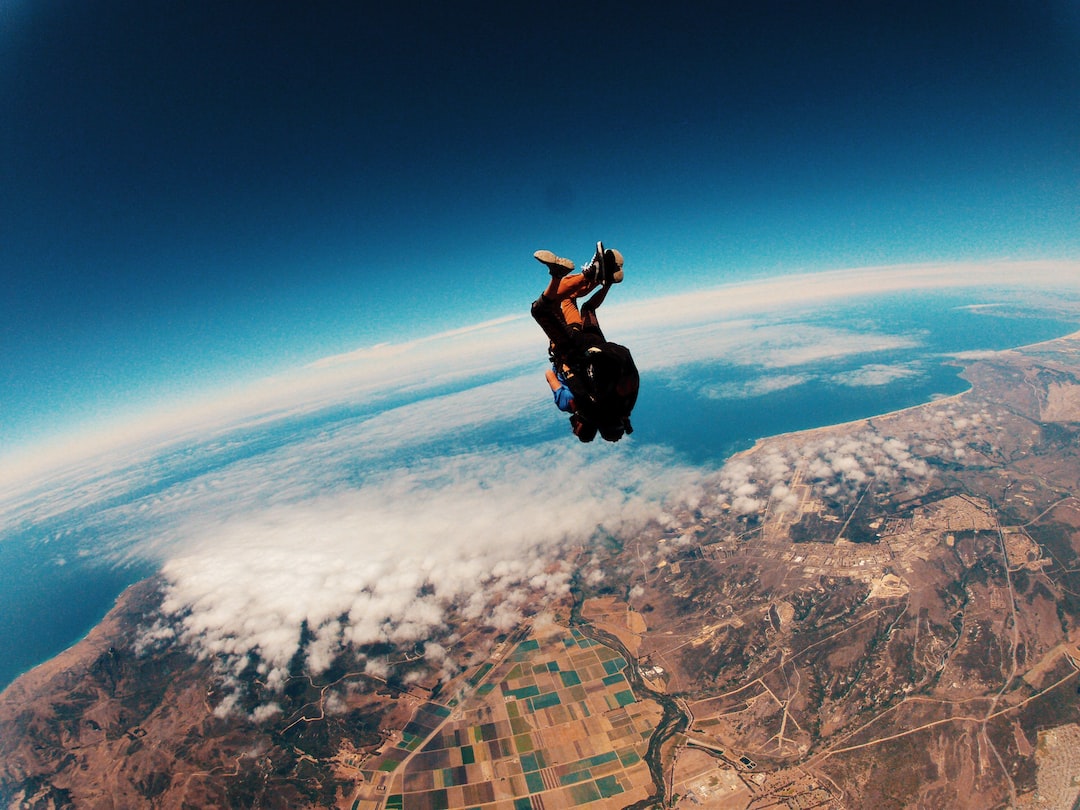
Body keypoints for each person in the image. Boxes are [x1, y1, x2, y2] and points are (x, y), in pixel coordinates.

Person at [530, 243, 638, 442]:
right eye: (576, 429)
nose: (573, 426)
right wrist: (561, 370)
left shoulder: (622, 404)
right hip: (571, 347)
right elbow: (549, 375)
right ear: (582, 424)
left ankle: (605, 281)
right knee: (541, 310)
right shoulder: (572, 404)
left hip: (597, 344)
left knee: (582, 306)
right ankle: (561, 274)